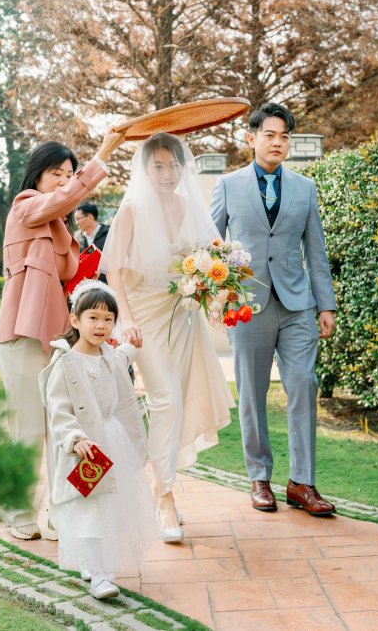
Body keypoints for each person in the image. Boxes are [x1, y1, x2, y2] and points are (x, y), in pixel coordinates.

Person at [100, 132, 235, 541]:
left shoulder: (189, 205)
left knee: (182, 398)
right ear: (145, 169)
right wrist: (125, 319)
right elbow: (113, 270)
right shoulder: (131, 209)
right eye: (157, 165)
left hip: (183, 315)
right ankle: (166, 498)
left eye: (173, 164)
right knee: (167, 396)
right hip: (143, 317)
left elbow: (211, 257)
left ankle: (162, 481)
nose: (167, 173)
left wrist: (217, 297)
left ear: (182, 166)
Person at [0, 128, 125, 540]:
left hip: (59, 338)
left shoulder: (60, 227)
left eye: (70, 174)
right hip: (21, 334)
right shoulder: (25, 205)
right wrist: (103, 154)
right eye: (57, 173)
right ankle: (18, 512)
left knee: (63, 428)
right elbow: (62, 200)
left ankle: (62, 512)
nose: (65, 180)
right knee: (29, 428)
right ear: (37, 175)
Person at [210, 103, 337, 516]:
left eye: (285, 136)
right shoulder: (227, 185)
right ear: (252, 138)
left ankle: (302, 483)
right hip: (248, 306)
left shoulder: (305, 187)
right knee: (252, 391)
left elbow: (315, 251)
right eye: (270, 134)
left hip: (298, 305)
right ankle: (259, 477)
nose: (278, 142)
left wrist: (326, 305)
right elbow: (209, 247)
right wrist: (219, 296)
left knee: (303, 385)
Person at [39, 280, 160, 599]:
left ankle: (91, 564)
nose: (101, 325)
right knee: (89, 509)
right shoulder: (65, 362)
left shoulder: (111, 357)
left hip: (112, 441)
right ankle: (99, 576)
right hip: (84, 449)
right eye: (93, 317)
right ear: (75, 320)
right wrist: (74, 438)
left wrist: (137, 336)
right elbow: (59, 408)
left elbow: (126, 355)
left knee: (108, 508)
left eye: (108, 319)